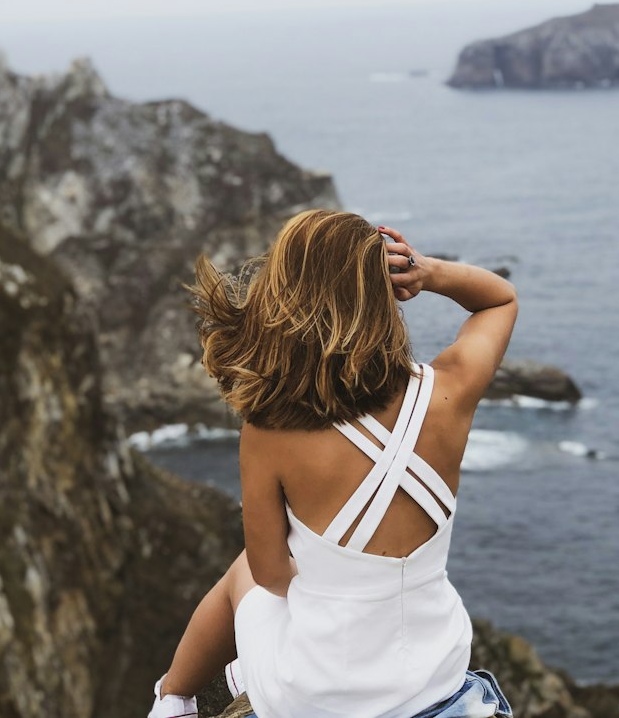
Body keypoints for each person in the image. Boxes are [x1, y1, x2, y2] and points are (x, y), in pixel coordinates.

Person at [148, 209, 518, 718]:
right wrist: (427, 271)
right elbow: (500, 299)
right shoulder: (447, 394)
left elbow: (271, 574)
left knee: (243, 574)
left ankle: (173, 700)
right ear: (382, 293)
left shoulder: (269, 430)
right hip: (437, 679)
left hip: (315, 698)